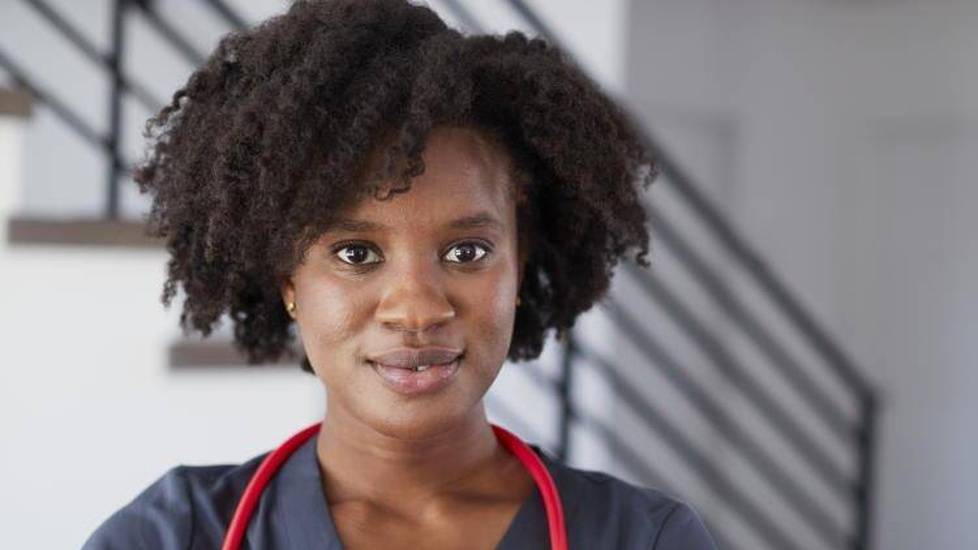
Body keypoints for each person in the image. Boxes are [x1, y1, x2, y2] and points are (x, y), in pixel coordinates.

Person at [82, 0, 717, 548]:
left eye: (467, 252)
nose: (416, 310)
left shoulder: (644, 538)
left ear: (519, 266)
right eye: (355, 254)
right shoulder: (172, 535)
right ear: (289, 282)